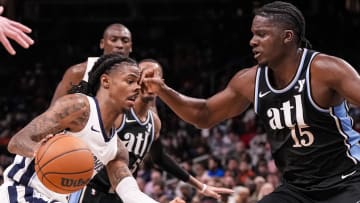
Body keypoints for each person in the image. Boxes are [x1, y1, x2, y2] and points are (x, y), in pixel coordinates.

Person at [141, 1, 360, 203]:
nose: (252, 41)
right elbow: (204, 116)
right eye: (253, 34)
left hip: (347, 181)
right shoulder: (250, 81)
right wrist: (162, 89)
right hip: (297, 189)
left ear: (287, 36)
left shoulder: (326, 69)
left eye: (261, 34)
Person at [0, 53, 162, 203]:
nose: (137, 88)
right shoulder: (78, 108)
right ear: (105, 81)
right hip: (23, 192)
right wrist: (41, 151)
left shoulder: (117, 150)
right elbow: (17, 142)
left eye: (139, 83)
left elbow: (131, 194)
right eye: (130, 81)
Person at [68, 59, 233, 203]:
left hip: (120, 194)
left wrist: (201, 186)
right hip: (91, 189)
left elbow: (160, 158)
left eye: (154, 75)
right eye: (144, 75)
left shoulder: (154, 123)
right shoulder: (119, 112)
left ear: (161, 82)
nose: (148, 80)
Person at [51, 23, 132, 105]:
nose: (119, 45)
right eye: (113, 40)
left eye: (125, 41)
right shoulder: (79, 72)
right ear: (102, 43)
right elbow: (52, 111)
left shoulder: (138, 77)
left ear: (131, 46)